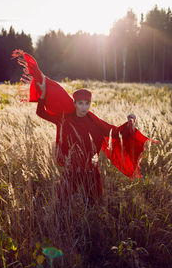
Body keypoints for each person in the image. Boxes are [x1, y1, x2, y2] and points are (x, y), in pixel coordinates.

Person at [12, 50, 154, 204]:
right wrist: (43, 95)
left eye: (87, 103)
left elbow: (115, 132)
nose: (84, 107)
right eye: (80, 103)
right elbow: (41, 112)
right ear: (74, 104)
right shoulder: (64, 119)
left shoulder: (95, 122)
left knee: (96, 204)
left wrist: (130, 122)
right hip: (71, 171)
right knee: (61, 204)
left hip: (90, 172)